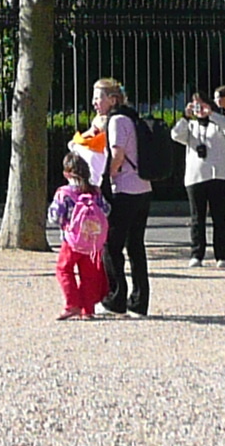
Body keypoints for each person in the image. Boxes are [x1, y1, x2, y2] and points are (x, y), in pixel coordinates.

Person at [74, 77, 152, 318]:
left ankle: (115, 298)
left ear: (113, 99)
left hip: (124, 190)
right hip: (143, 188)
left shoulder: (118, 121)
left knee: (111, 245)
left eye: (99, 97)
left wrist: (106, 175)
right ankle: (139, 302)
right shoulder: (132, 117)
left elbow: (117, 155)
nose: (95, 102)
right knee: (136, 246)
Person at [173, 84, 225, 267]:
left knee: (219, 217)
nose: (199, 109)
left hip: (218, 175)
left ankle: (222, 256)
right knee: (197, 218)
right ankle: (197, 254)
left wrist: (211, 114)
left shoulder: (217, 124)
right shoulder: (191, 125)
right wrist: (185, 116)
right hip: (196, 176)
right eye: (196, 106)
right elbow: (175, 135)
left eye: (201, 104)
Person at [47, 154, 111, 320]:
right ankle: (87, 309)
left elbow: (55, 216)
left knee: (64, 269)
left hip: (72, 240)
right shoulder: (95, 191)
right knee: (89, 275)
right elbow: (106, 210)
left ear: (67, 173)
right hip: (93, 241)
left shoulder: (64, 193)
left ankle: (72, 304)